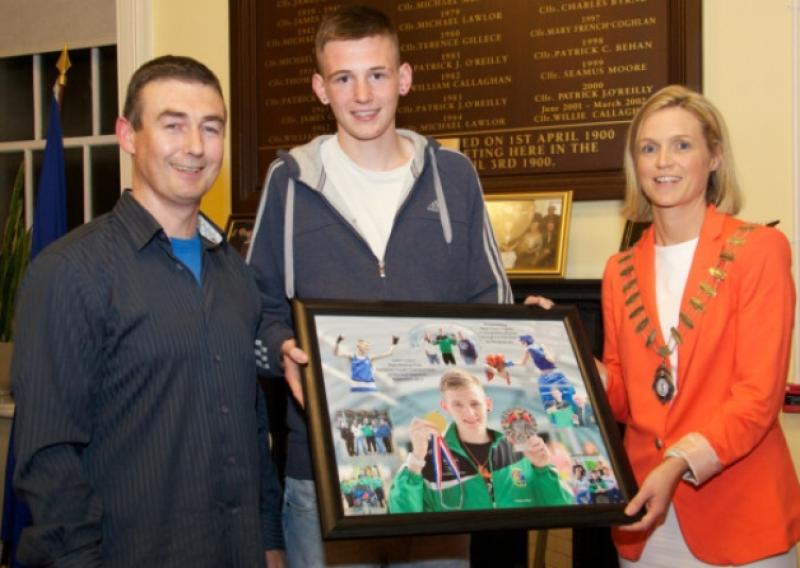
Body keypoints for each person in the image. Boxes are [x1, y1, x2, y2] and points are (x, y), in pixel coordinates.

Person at [246, 5, 553, 566]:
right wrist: (280, 349)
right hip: (323, 471)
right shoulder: (289, 180)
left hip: (440, 471)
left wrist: (524, 334)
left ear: (404, 78)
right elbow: (256, 308)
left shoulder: (454, 175)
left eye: (377, 74)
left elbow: (490, 303)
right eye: (343, 77)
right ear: (320, 88)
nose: (362, 94)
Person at [10, 55, 285, 567]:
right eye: (172, 125)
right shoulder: (69, 273)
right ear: (128, 134)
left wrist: (269, 542)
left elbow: (251, 429)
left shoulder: (237, 277)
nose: (195, 147)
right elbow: (49, 460)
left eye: (211, 127)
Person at [601, 84, 800, 566]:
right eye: (649, 148)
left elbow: (757, 399)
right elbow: (626, 395)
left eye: (681, 145)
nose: (663, 161)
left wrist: (677, 464)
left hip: (741, 515)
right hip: (643, 518)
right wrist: (565, 357)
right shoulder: (618, 269)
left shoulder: (758, 251)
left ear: (714, 157)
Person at [387, 370, 574, 512]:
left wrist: (542, 469)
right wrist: (416, 459)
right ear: (445, 407)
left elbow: (562, 509)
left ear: (488, 404)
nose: (469, 413)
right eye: (457, 405)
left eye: (475, 403)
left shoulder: (520, 453)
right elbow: (401, 517)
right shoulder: (427, 463)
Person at [334, 335, 398, 392]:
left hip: (371, 377)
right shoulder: (351, 356)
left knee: (379, 376)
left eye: (366, 347)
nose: (366, 348)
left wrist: (394, 343)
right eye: (364, 346)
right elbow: (336, 354)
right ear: (358, 347)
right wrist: (337, 342)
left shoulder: (370, 357)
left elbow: (389, 353)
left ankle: (391, 386)